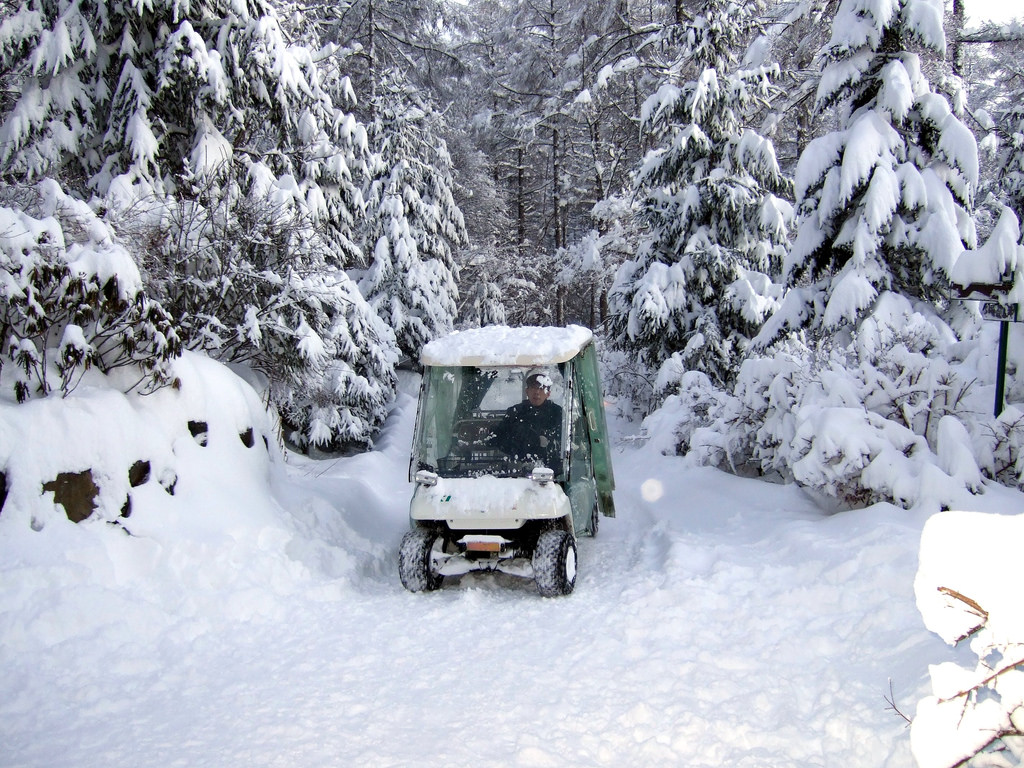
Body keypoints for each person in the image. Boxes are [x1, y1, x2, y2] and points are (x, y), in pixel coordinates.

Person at [494, 369, 563, 473]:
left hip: (551, 469)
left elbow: (563, 439)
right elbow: (501, 439)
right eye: (533, 388)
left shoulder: (557, 413)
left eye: (541, 388)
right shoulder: (515, 412)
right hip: (516, 468)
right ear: (527, 391)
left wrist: (548, 440)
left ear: (548, 393)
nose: (537, 392)